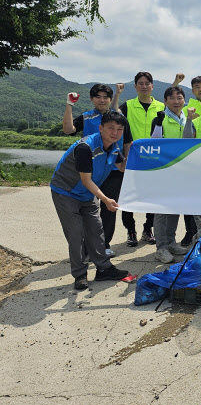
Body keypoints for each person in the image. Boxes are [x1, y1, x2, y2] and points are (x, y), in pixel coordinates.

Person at [51, 111, 130, 290]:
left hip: (87, 194)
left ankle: (104, 269)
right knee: (76, 234)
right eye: (111, 128)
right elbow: (86, 180)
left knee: (96, 230)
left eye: (119, 129)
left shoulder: (115, 146)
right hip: (66, 192)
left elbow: (122, 167)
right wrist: (106, 199)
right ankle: (80, 274)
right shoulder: (85, 148)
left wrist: (138, 155)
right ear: (101, 128)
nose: (115, 132)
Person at [62, 84, 131, 258]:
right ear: (92, 99)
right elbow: (68, 130)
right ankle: (86, 248)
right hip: (89, 171)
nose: (102, 100)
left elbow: (127, 142)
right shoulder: (87, 117)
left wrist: (127, 165)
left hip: (112, 167)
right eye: (98, 97)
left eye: (105, 97)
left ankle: (104, 245)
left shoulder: (120, 118)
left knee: (109, 208)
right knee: (87, 210)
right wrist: (69, 105)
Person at [118, 72, 165, 247]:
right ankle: (131, 231)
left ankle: (148, 229)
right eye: (140, 83)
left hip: (155, 159)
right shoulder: (127, 106)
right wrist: (117, 95)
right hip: (132, 159)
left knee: (152, 197)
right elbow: (113, 115)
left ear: (152, 86)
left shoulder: (161, 106)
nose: (144, 86)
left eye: (147, 83)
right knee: (128, 197)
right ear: (135, 86)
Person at [147, 87, 191, 263]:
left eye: (179, 98)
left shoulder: (186, 119)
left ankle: (171, 242)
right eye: (171, 98)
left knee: (174, 208)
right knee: (161, 211)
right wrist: (158, 124)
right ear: (165, 101)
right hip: (163, 170)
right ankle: (161, 247)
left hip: (180, 172)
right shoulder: (160, 119)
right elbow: (154, 142)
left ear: (184, 101)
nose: (176, 101)